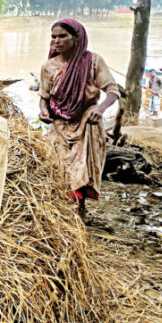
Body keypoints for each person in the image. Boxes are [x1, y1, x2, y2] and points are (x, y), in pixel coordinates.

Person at [38, 19, 120, 219]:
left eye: (62, 36)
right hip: (60, 124)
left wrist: (100, 109)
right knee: (58, 166)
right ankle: (64, 209)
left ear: (77, 38)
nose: (57, 41)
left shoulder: (93, 61)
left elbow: (112, 90)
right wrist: (43, 112)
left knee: (82, 168)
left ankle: (79, 207)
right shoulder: (48, 66)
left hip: (86, 121)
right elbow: (44, 97)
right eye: (54, 37)